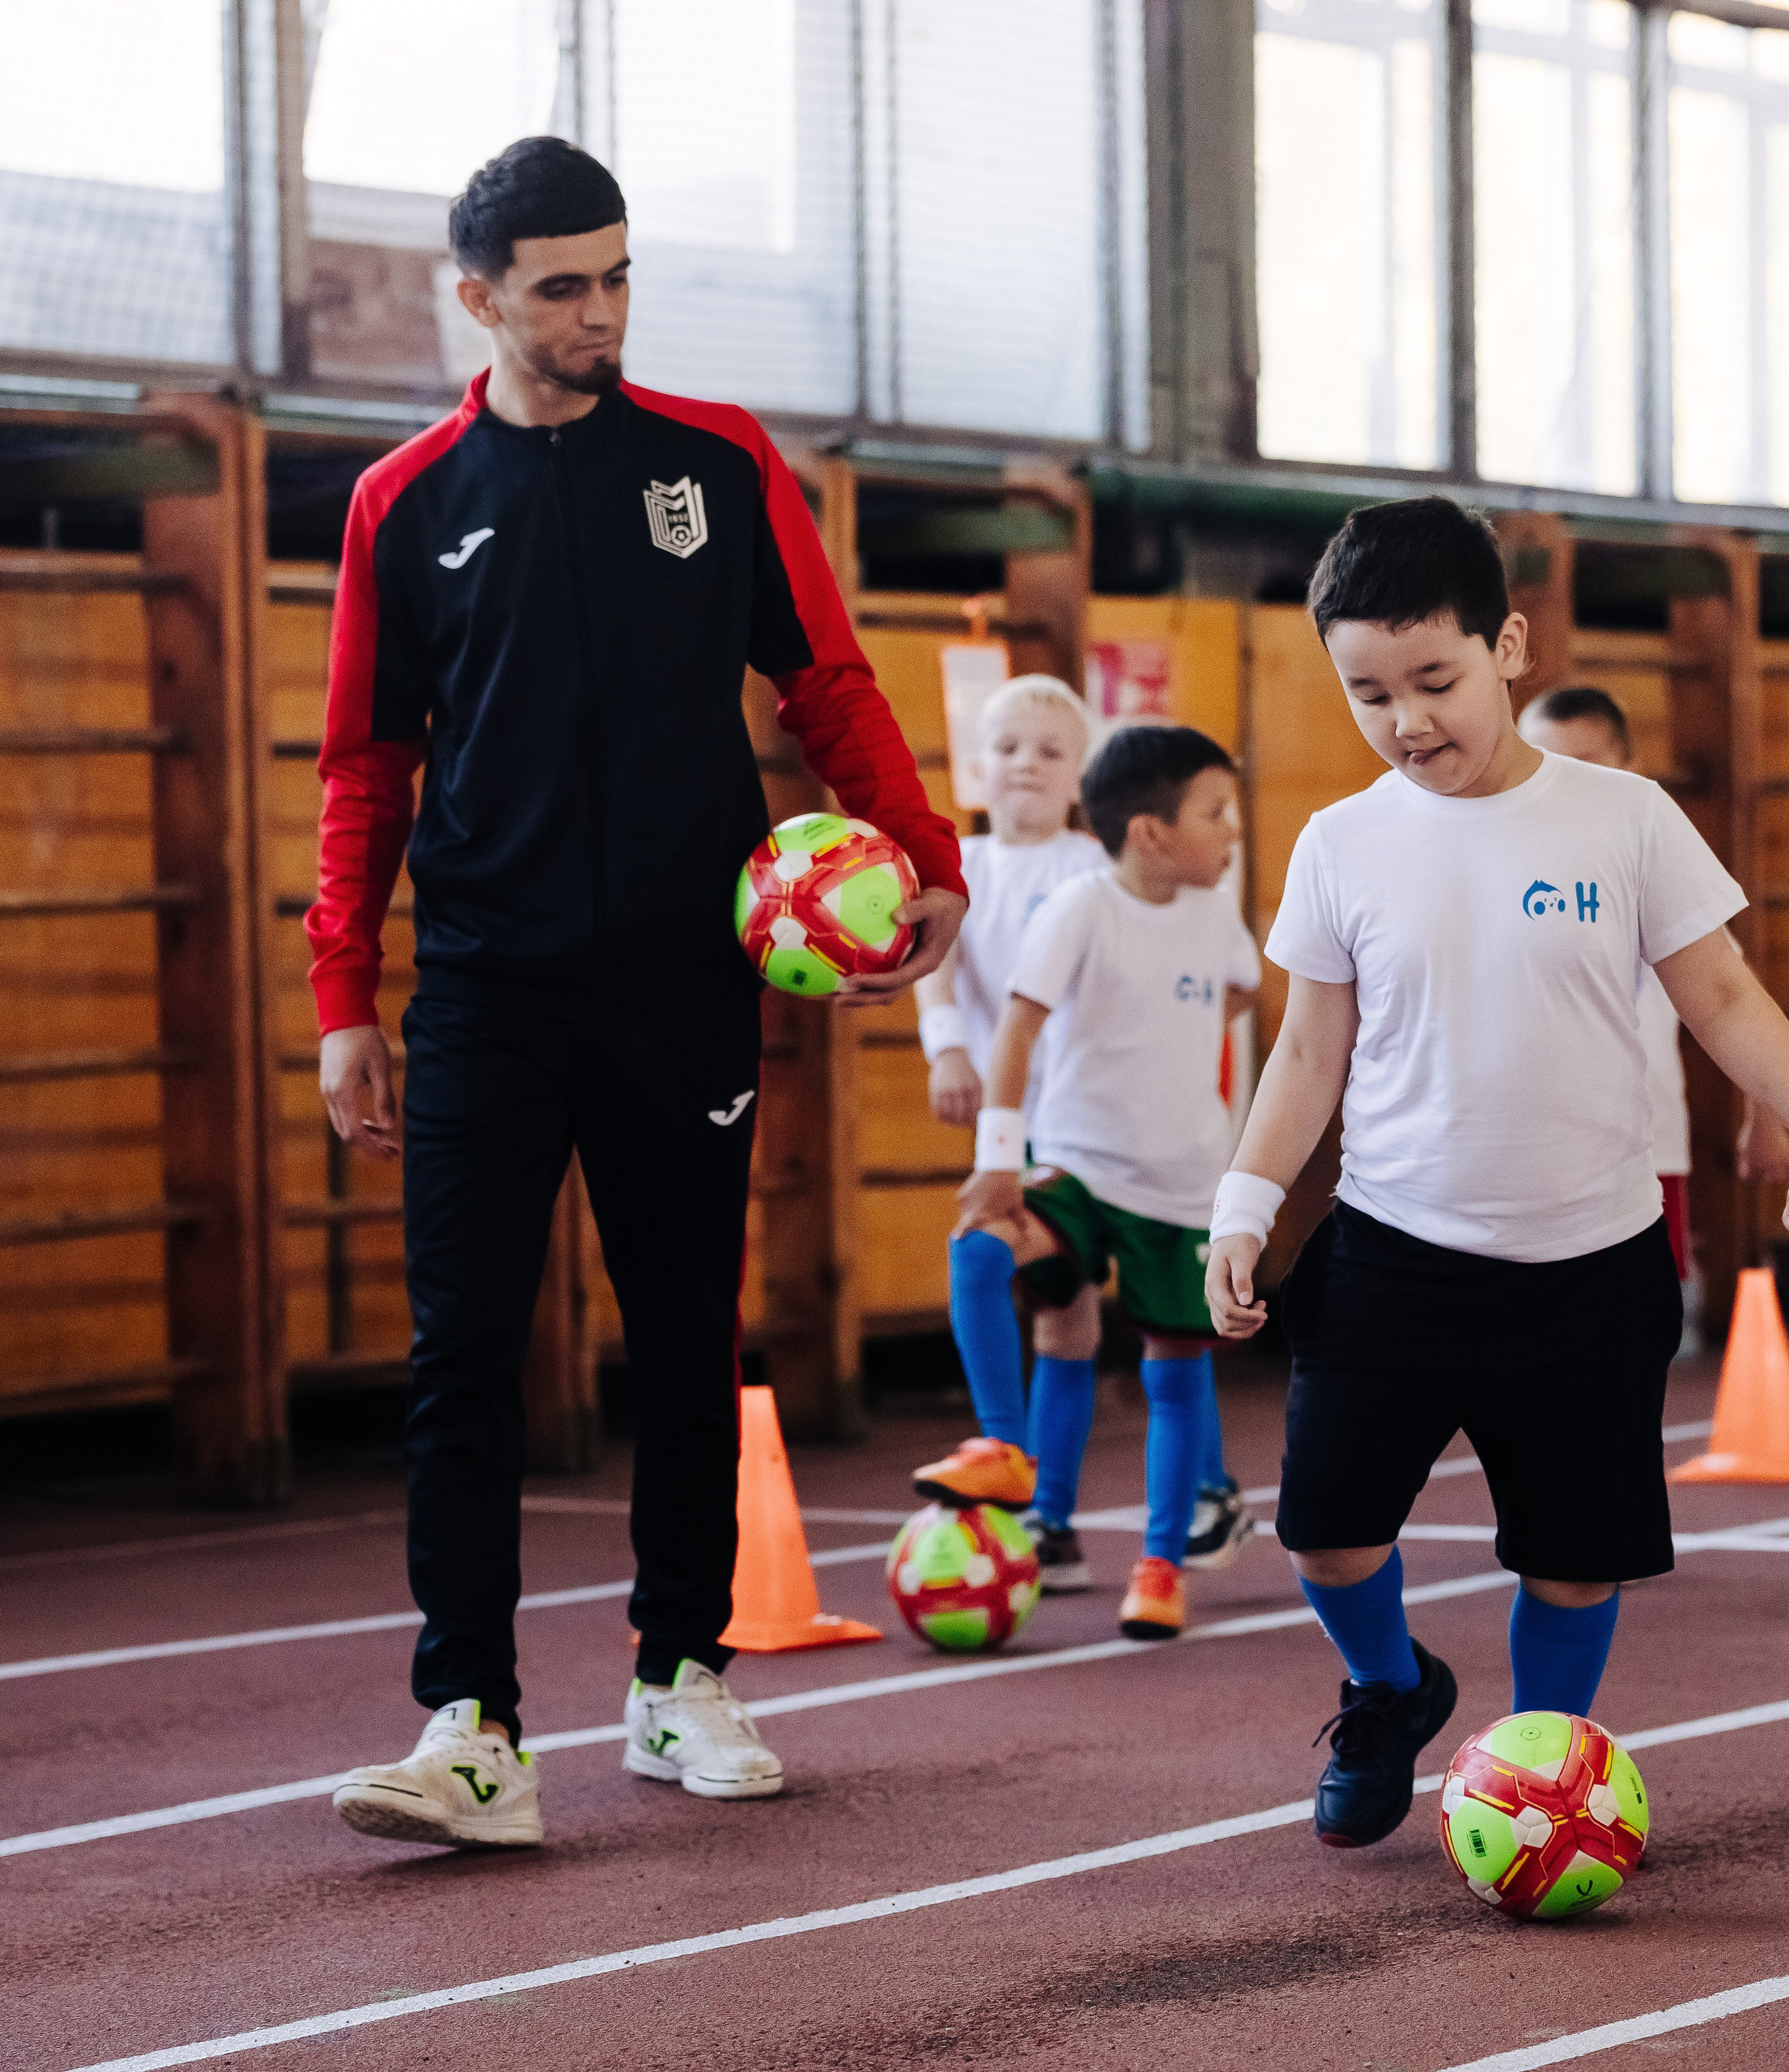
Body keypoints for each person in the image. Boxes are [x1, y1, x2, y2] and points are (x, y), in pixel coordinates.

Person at [310, 138, 966, 1849]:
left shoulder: (719, 460)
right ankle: (471, 1722)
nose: (597, 311)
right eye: (558, 287)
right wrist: (340, 992)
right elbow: (364, 768)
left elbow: (823, 679)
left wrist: (925, 856)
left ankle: (682, 1672)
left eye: (614, 277)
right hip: (482, 995)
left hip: (683, 982)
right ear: (478, 298)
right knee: (460, 1354)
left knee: (687, 1333)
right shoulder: (404, 503)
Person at [1205, 499, 1789, 1849]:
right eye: (1368, 693)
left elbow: (1724, 995)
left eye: (1435, 681)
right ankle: (1391, 1690)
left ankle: (1547, 1765)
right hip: (1393, 1254)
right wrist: (1246, 1199)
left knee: (1573, 1562)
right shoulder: (1343, 842)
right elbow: (1307, 1054)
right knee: (1324, 1535)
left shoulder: (1621, 820)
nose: (1406, 720)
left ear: (1507, 646)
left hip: (1591, 1266)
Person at [908, 684, 1253, 1583]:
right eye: (1007, 746)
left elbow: (1223, 980)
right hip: (1020, 1121)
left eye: (1050, 750)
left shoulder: (1091, 871)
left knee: (1126, 1319)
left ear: (1080, 781)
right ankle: (1026, 1484)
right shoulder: (964, 866)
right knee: (1044, 1305)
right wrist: (949, 1051)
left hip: (1091, 1132)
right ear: (977, 767)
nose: (1026, 762)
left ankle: (1192, 1490)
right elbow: (934, 969)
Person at [1518, 686, 1789, 1335]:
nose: (1568, 782)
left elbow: (1736, 996)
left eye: (1588, 763)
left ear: (1631, 769)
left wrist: (1767, 1117)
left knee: (1635, 1329)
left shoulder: (1650, 867)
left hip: (1646, 1146)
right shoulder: (1508, 866)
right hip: (1540, 1154)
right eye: (1546, 762)